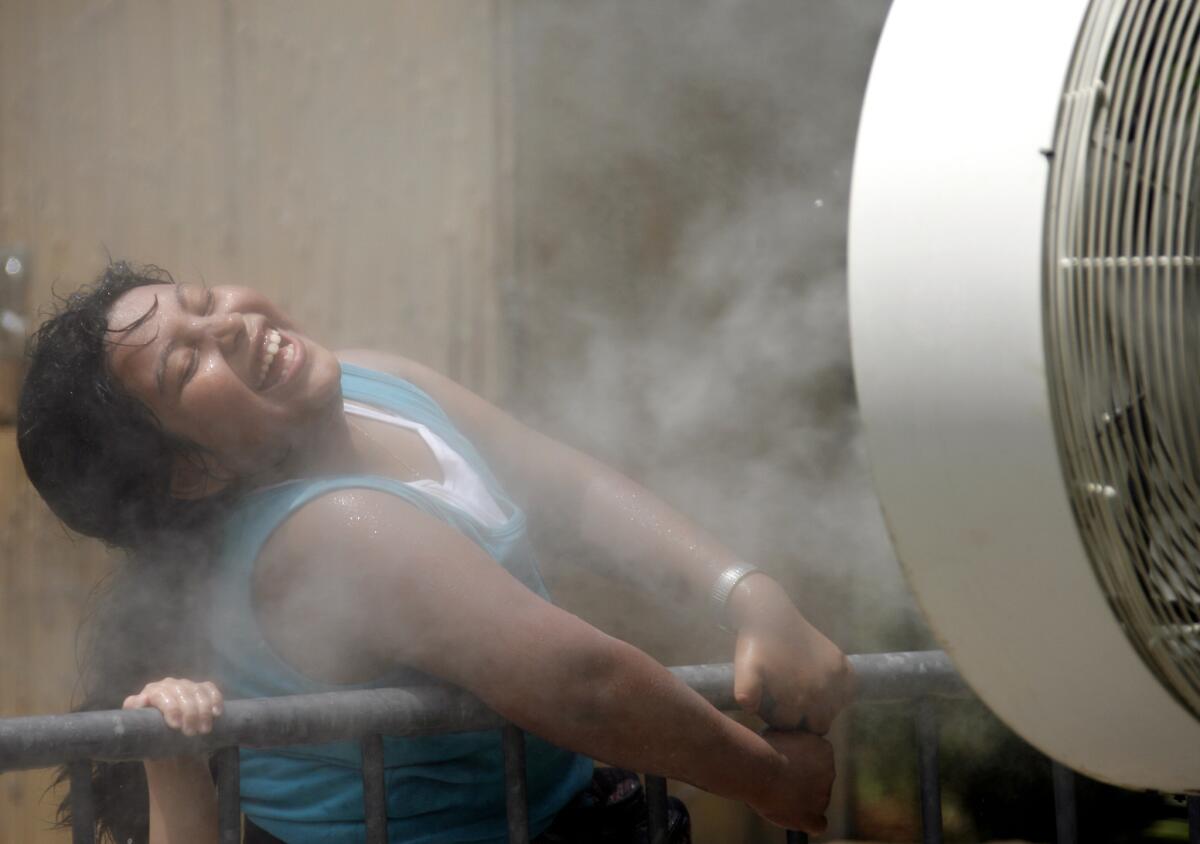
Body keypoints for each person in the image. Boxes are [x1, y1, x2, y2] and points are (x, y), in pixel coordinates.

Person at [18, 262, 853, 843]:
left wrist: (748, 595)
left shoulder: (379, 382)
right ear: (192, 472)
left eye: (201, 299)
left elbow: (572, 492)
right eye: (186, 360)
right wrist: (766, 778)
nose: (230, 324)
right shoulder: (333, 536)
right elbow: (582, 683)